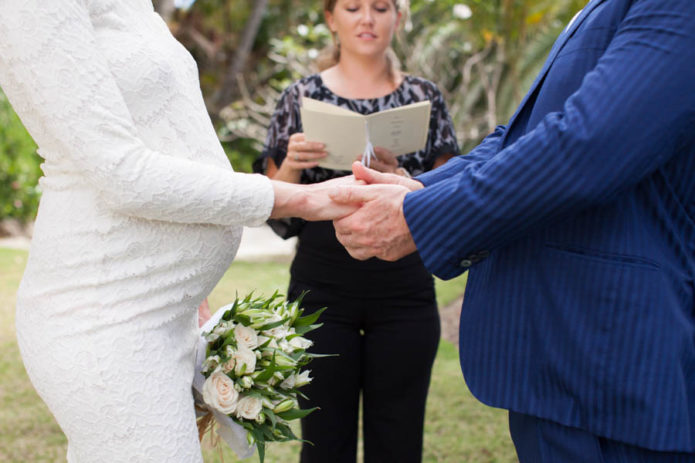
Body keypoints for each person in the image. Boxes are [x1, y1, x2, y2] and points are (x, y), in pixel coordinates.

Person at [329, 0, 695, 461]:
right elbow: (521, 136)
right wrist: (418, 189)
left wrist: (417, 216)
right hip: (564, 358)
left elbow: (588, 143)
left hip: (610, 358)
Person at [0, 2, 355, 462]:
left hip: (166, 314)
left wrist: (189, 292)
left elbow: (167, 134)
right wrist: (304, 198)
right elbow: (123, 174)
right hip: (103, 311)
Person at [254, 0, 460, 461]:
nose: (367, 18)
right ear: (331, 18)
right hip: (321, 285)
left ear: (397, 18)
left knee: (400, 439)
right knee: (323, 441)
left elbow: (451, 203)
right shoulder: (299, 98)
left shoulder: (423, 97)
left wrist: (405, 179)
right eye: (352, 7)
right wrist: (290, 167)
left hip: (405, 288)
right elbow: (274, 213)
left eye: (381, 7)